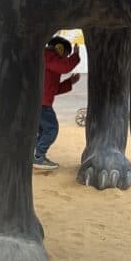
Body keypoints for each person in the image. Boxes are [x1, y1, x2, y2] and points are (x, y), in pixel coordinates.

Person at [33, 36, 81, 171]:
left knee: (43, 131)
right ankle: (38, 157)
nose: (65, 58)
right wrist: (75, 56)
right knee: (51, 129)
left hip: (40, 102)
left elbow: (53, 90)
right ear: (59, 49)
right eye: (65, 55)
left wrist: (70, 82)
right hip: (41, 104)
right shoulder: (48, 55)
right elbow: (65, 67)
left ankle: (35, 156)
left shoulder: (49, 62)